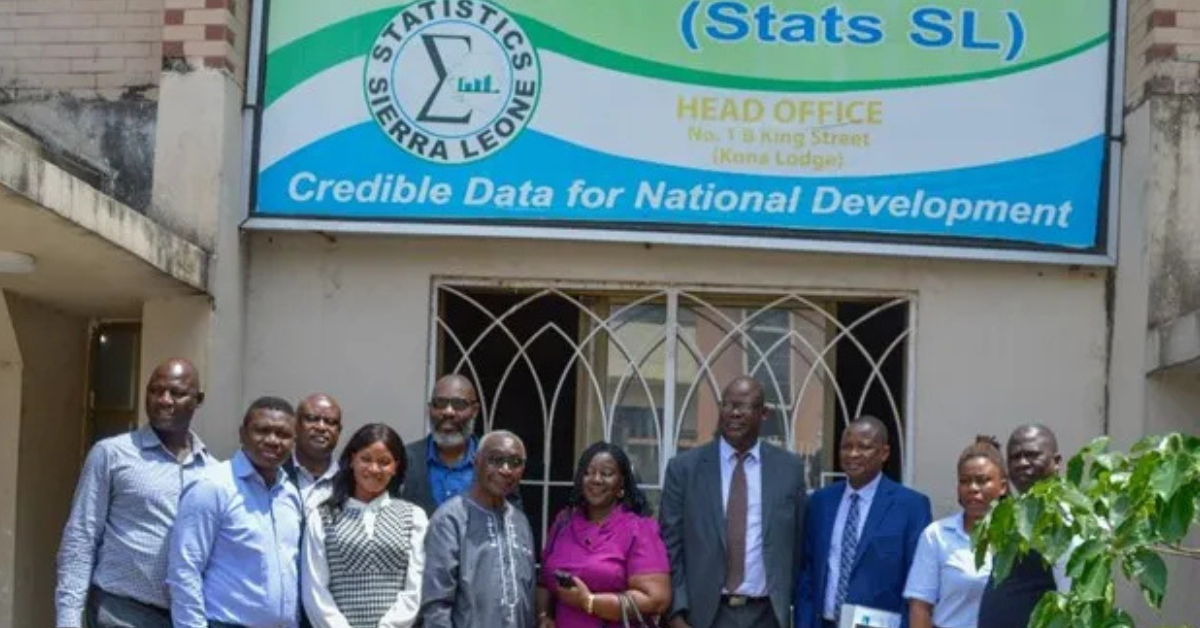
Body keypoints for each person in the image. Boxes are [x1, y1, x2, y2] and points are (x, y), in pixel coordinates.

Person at [56, 358, 214, 628]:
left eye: (176, 393)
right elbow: (81, 537)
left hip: (187, 616)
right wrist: (68, 619)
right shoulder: (112, 454)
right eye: (155, 391)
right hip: (121, 612)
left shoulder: (213, 472)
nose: (164, 400)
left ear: (197, 400)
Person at [660, 376, 808, 628]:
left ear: (763, 413)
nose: (734, 413)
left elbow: (798, 542)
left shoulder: (789, 469)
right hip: (704, 615)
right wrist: (676, 613)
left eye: (744, 406)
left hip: (767, 615)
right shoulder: (685, 469)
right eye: (727, 405)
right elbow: (670, 544)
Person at [167, 396, 304, 628]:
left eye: (283, 434)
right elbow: (184, 569)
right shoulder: (213, 485)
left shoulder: (289, 493)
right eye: (262, 431)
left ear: (294, 442)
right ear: (242, 434)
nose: (273, 440)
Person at [796, 416, 932, 628]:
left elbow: (919, 581)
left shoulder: (911, 507)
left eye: (864, 447)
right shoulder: (821, 502)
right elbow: (808, 571)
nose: (853, 454)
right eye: (846, 447)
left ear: (884, 453)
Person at [302, 423, 427, 628]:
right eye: (366, 459)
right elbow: (315, 589)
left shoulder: (414, 517)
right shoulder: (322, 516)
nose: (374, 469)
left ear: (396, 467)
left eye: (384, 462)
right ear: (352, 460)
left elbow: (416, 587)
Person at [537, 441, 671, 628]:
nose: (596, 479)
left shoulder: (640, 529)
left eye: (606, 473)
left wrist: (589, 601)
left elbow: (657, 599)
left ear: (622, 482)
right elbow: (544, 581)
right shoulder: (564, 522)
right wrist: (544, 615)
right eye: (588, 472)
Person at [420, 430, 536, 628]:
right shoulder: (450, 519)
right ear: (476, 461)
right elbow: (436, 605)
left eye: (515, 462)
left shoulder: (520, 521)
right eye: (496, 460)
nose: (506, 470)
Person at [905, 436, 1008, 628]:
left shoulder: (1018, 537)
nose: (973, 488)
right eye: (965, 481)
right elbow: (920, 606)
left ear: (1002, 486)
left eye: (982, 481)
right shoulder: (937, 535)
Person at [976, 424, 1069, 628]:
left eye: (1032, 455)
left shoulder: (1067, 519)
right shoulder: (1014, 516)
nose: (1022, 463)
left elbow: (1072, 600)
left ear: (1056, 462)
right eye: (1015, 457)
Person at [402, 374, 520, 515]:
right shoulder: (405, 459)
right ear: (429, 409)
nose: (448, 412)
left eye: (458, 404)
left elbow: (513, 520)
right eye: (440, 403)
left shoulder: (497, 463)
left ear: (475, 410)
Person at [285, 393, 344, 513]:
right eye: (312, 419)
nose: (321, 427)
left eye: (330, 422)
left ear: (338, 431)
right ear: (295, 426)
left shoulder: (349, 480)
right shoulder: (275, 473)